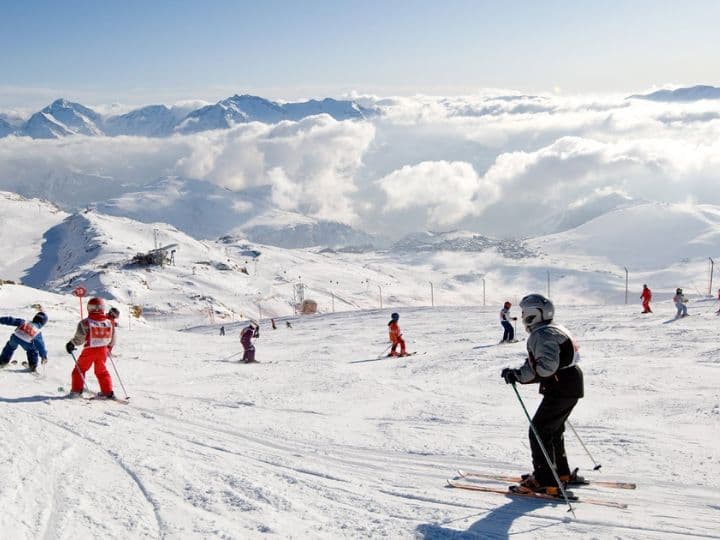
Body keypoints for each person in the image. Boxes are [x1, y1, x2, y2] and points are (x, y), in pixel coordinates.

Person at [500, 293, 584, 496]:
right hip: (570, 384)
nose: (521, 317)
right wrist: (521, 374)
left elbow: (545, 368)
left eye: (524, 313)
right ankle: (560, 473)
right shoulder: (555, 328)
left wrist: (517, 376)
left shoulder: (542, 334)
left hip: (561, 387)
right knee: (552, 430)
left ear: (533, 314)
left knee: (538, 431)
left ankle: (545, 480)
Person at [65, 297, 116, 398]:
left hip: (90, 350)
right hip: (103, 350)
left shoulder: (86, 322)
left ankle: (76, 391)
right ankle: (107, 392)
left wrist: (71, 343)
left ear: (89, 308)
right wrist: (109, 348)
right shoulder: (109, 322)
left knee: (79, 369)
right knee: (102, 371)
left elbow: (79, 338)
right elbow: (112, 338)